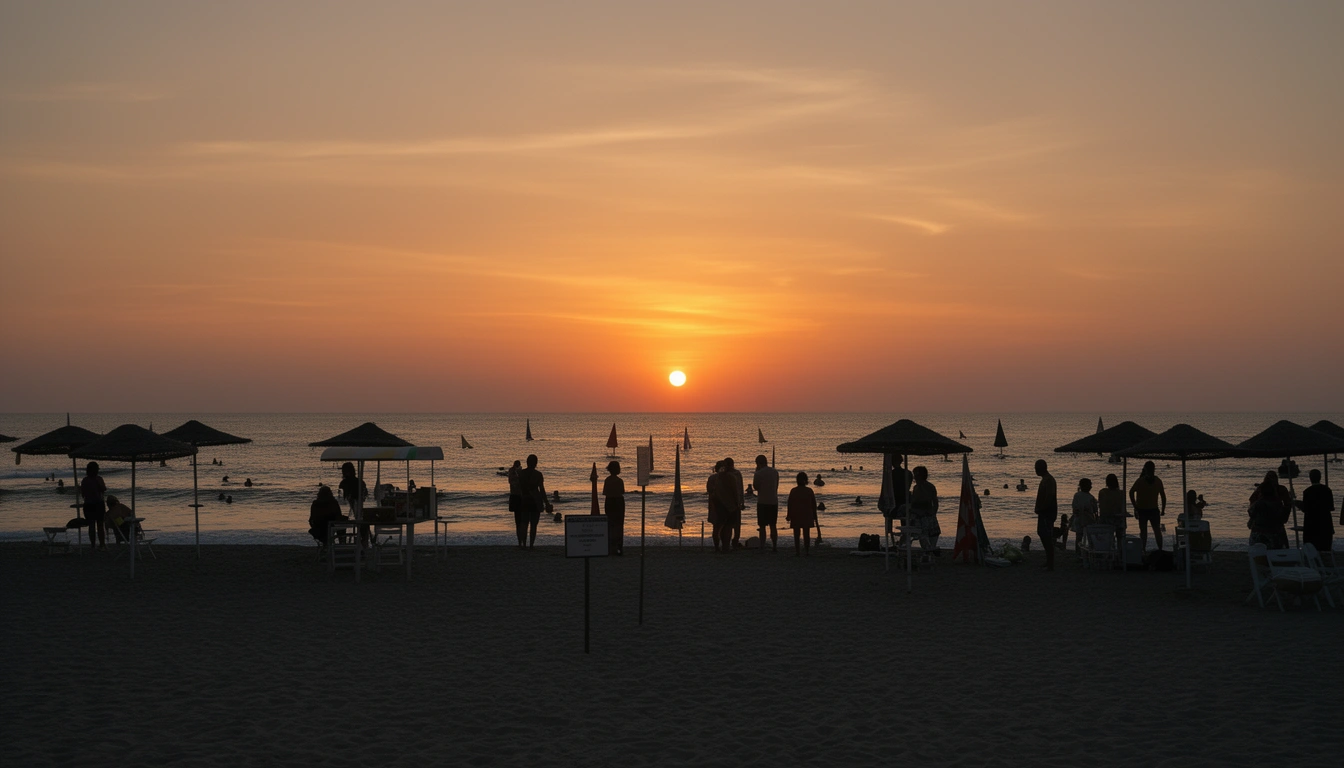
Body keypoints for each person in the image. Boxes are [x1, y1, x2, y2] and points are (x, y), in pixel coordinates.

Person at [1129, 461, 1166, 551]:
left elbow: (1131, 492)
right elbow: (1163, 497)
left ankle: (1143, 550)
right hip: (1152, 509)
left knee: (1144, 532)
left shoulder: (1140, 481)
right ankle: (1160, 549)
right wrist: (1163, 509)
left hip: (1142, 509)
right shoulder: (1158, 481)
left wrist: (1135, 506)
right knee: (1157, 531)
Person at [1247, 471, 1291, 549]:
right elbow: (1287, 506)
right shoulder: (1277, 503)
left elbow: (1251, 512)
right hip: (1274, 532)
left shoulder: (1259, 502)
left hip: (1260, 531)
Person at [517, 454, 553, 549]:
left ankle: (523, 545)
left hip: (524, 500)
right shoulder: (538, 475)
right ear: (535, 463)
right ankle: (531, 545)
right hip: (535, 500)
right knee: (533, 524)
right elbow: (541, 490)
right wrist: (547, 503)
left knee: (524, 523)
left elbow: (518, 488)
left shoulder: (521, 473)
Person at [714, 458, 746, 551]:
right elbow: (738, 489)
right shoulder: (731, 475)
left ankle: (732, 542)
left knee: (730, 525)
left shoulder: (722, 476)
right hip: (732, 503)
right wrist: (740, 501)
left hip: (726, 503)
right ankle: (729, 543)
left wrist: (741, 501)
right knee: (731, 525)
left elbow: (739, 488)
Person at [1300, 469, 1335, 553]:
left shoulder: (1307, 491)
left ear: (1310, 478)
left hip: (1311, 524)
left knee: (1312, 548)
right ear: (1320, 477)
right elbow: (1331, 507)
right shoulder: (1327, 490)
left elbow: (1305, 508)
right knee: (1325, 548)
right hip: (1325, 522)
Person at [908, 466, 940, 550]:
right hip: (920, 515)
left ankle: (929, 550)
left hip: (926, 515)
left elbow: (935, 501)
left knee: (929, 535)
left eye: (915, 475)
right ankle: (928, 550)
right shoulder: (917, 488)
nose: (914, 477)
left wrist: (933, 512)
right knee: (924, 536)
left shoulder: (928, 487)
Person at [753, 455, 780, 552]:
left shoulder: (758, 473)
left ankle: (762, 546)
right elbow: (776, 485)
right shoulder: (774, 472)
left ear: (758, 463)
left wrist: (756, 472)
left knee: (762, 526)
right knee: (773, 525)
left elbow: (755, 487)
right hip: (773, 501)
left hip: (762, 501)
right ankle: (775, 546)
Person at [786, 472, 817, 556]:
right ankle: (806, 551)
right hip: (807, 514)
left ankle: (798, 551)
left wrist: (788, 515)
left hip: (796, 514)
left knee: (797, 534)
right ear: (806, 480)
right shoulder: (809, 491)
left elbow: (790, 504)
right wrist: (815, 516)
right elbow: (814, 505)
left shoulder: (793, 491)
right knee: (806, 533)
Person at [79, 461, 107, 551]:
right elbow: (103, 489)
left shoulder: (84, 480)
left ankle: (93, 545)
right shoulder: (98, 479)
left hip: (88, 504)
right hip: (98, 504)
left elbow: (83, 494)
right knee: (99, 525)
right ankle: (102, 544)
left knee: (91, 525)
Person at [338, 461, 369, 545]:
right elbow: (365, 495)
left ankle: (343, 543)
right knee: (364, 525)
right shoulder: (360, 482)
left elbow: (341, 499)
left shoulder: (343, 483)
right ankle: (364, 542)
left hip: (352, 512)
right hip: (357, 512)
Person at [1034, 459, 1057, 571]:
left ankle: (1050, 563)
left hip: (1047, 512)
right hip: (1043, 512)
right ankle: (1048, 561)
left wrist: (1042, 508)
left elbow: (1050, 496)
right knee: (1042, 533)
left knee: (1046, 535)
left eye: (1037, 468)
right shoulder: (1045, 480)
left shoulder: (1049, 480)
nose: (1035, 470)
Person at [1097, 473, 1126, 553]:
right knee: (1120, 537)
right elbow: (1122, 507)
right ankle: (1120, 552)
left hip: (1106, 520)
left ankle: (1108, 551)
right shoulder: (1121, 493)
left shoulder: (1102, 492)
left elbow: (1101, 507)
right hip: (1119, 520)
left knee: (1106, 536)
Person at [603, 461, 626, 555]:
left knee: (610, 524)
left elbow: (605, 492)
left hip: (609, 502)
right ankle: (619, 546)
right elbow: (622, 491)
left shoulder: (607, 480)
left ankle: (610, 546)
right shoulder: (619, 481)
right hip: (619, 502)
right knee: (619, 524)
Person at [1071, 478, 1098, 553]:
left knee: (1079, 537)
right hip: (1088, 520)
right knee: (1090, 537)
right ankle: (1091, 550)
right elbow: (1095, 510)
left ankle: (1078, 552)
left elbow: (1074, 507)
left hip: (1078, 519)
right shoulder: (1091, 497)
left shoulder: (1077, 495)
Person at [707, 461, 725, 551]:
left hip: (713, 504)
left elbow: (709, 490)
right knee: (724, 526)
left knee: (716, 527)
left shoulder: (711, 478)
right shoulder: (725, 478)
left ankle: (717, 547)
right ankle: (723, 546)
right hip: (722, 504)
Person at [506, 460, 523, 537]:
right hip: (515, 495)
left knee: (521, 519)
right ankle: (520, 538)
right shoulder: (512, 471)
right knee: (518, 519)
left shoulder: (520, 472)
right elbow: (511, 482)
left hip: (520, 495)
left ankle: (521, 536)